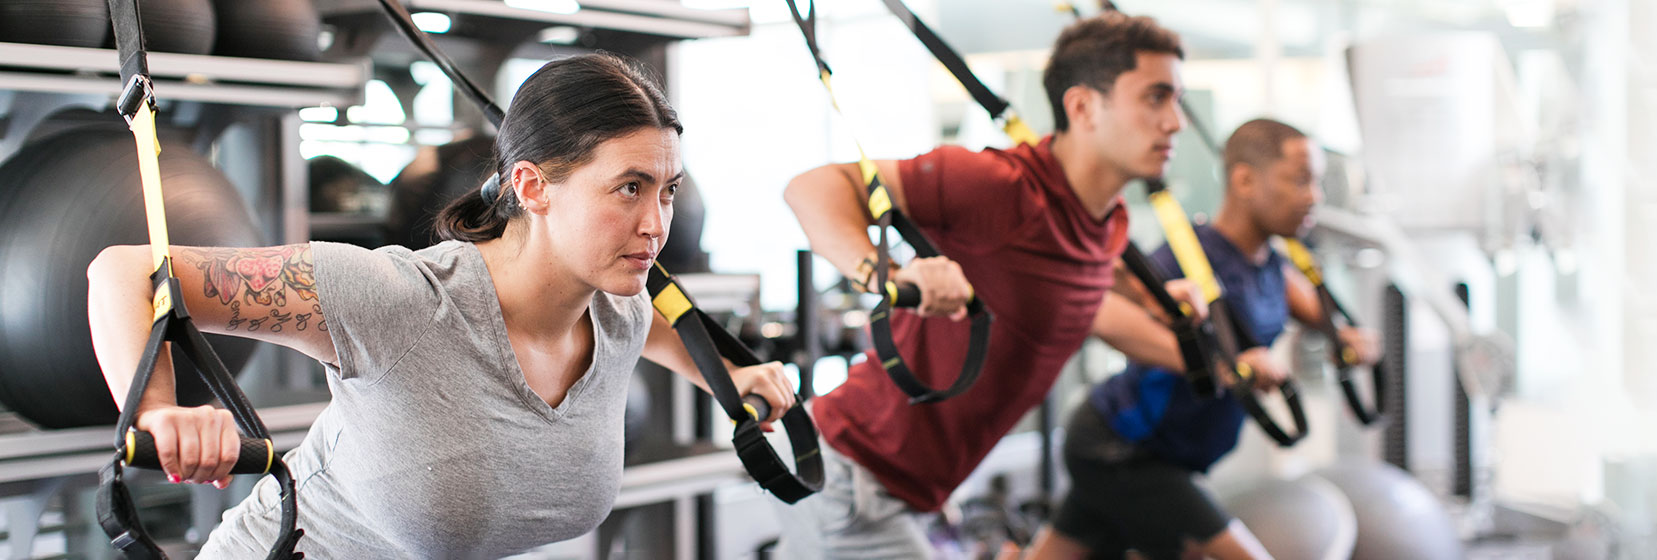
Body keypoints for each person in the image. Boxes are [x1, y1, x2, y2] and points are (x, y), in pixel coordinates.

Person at [86, 52, 796, 559]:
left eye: (668, 190)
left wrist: (724, 374)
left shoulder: (621, 307)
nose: (657, 224)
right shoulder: (392, 300)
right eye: (629, 188)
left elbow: (654, 324)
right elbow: (126, 273)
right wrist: (157, 412)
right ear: (532, 186)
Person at [777, 13, 1197, 558]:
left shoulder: (1105, 223)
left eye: (1177, 100)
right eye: (1156, 98)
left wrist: (1200, 352)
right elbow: (813, 187)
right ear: (1082, 107)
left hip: (911, 494)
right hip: (846, 475)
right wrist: (889, 278)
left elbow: (1087, 311)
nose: (1176, 122)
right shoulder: (998, 186)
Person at [1025, 118, 1383, 560]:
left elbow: (1327, 325)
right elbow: (1110, 304)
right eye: (1300, 180)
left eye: (1317, 182)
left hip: (1172, 456)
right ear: (1245, 180)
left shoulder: (1275, 266)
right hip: (1123, 447)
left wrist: (1350, 342)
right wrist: (1230, 364)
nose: (1314, 196)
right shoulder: (1188, 257)